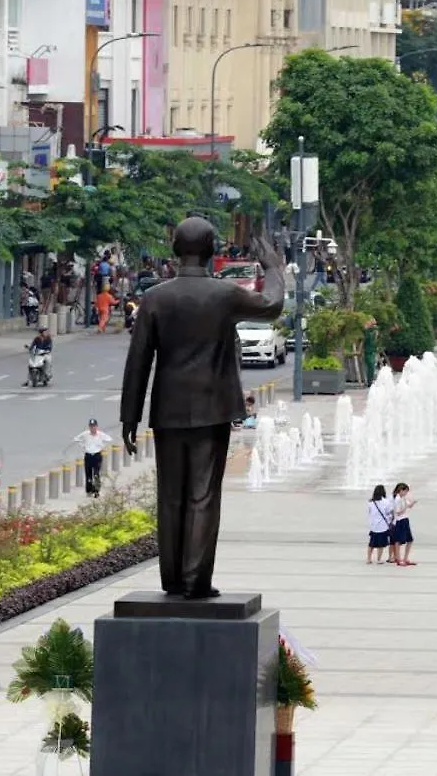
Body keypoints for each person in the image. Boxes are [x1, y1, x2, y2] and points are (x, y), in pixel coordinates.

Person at [119, 217, 285, 600]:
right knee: (202, 495)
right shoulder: (225, 295)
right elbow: (272, 305)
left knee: (171, 496)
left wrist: (130, 414)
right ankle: (196, 581)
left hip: (168, 409)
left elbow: (138, 360)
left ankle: (173, 580)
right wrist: (273, 268)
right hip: (211, 408)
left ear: (175, 249)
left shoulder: (156, 297)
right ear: (212, 251)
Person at [75, 418, 113, 497]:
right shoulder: (85, 434)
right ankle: (89, 491)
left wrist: (102, 446)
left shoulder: (100, 434)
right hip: (88, 455)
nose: (93, 428)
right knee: (88, 474)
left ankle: (96, 491)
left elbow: (109, 439)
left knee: (96, 474)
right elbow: (76, 439)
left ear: (97, 426)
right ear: (89, 427)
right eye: (91, 426)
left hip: (97, 455)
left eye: (94, 426)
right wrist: (83, 446)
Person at [366, 485, 393, 565]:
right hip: (382, 526)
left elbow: (370, 512)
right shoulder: (386, 502)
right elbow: (389, 512)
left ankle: (368, 559)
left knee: (371, 544)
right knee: (380, 544)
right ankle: (379, 559)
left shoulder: (370, 502)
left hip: (373, 526)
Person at [391, 482, 416, 566]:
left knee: (410, 540)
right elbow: (398, 512)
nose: (406, 493)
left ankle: (405, 558)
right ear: (401, 490)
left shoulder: (403, 498)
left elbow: (409, 506)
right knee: (398, 541)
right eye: (405, 491)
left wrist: (413, 503)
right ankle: (399, 559)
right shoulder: (397, 499)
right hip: (400, 521)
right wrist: (405, 507)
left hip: (405, 519)